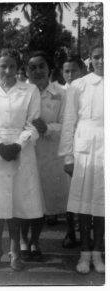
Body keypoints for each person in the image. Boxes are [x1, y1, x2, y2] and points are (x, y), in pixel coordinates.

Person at [0, 48, 43, 272]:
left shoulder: (30, 89)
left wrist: (17, 145)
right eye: (3, 66)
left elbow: (34, 123)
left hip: (21, 151)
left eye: (12, 66)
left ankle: (15, 252)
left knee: (17, 203)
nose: (7, 70)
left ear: (18, 68)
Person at [58, 39, 104, 275]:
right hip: (85, 146)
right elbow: (68, 123)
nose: (101, 60)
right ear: (90, 59)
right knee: (85, 204)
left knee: (104, 203)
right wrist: (68, 157)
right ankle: (84, 254)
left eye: (105, 55)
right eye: (97, 56)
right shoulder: (79, 85)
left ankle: (99, 253)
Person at [20, 51, 69, 262]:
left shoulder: (61, 94)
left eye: (42, 66)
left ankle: (35, 241)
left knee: (42, 202)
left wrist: (47, 128)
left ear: (49, 69)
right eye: (33, 67)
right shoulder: (20, 92)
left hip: (49, 155)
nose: (38, 71)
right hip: (25, 153)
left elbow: (67, 125)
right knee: (24, 199)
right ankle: (23, 241)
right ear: (26, 71)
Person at [58, 54, 85, 248]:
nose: (70, 74)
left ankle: (86, 233)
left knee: (85, 191)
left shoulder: (86, 88)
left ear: (82, 70)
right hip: (66, 146)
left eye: (73, 70)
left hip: (85, 144)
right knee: (68, 192)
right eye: (66, 71)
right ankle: (69, 232)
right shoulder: (59, 92)